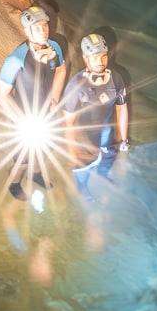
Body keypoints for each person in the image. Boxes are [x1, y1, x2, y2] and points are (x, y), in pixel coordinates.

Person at [0, 5, 67, 202]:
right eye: (37, 28)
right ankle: (14, 182)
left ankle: (35, 174)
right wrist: (23, 122)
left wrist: (54, 100)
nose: (43, 31)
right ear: (26, 31)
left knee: (44, 148)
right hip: (24, 117)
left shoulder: (55, 47)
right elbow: (1, 96)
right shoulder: (16, 60)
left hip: (46, 114)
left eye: (45, 25)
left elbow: (61, 70)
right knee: (23, 157)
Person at [59, 30, 129, 195]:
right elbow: (68, 123)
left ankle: (103, 175)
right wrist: (72, 153)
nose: (100, 61)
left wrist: (123, 139)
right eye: (95, 57)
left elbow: (121, 108)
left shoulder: (116, 79)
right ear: (85, 58)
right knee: (82, 167)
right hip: (83, 136)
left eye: (103, 56)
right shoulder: (76, 86)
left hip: (105, 129)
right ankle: (84, 191)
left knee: (109, 155)